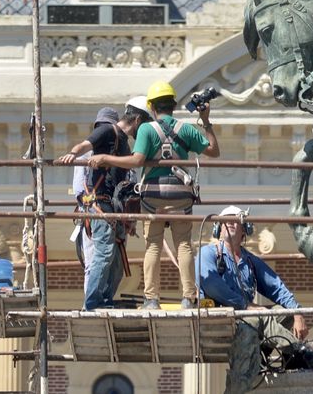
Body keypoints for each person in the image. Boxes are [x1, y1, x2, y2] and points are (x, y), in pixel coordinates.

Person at [89, 80, 220, 309]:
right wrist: (206, 121)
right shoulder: (186, 129)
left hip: (153, 196)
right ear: (173, 105)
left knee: (153, 246)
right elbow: (213, 151)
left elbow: (137, 160)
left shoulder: (146, 129)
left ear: (151, 106)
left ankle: (151, 299)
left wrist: (105, 158)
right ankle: (189, 298)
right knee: (184, 245)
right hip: (180, 195)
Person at [197, 206, 310, 394]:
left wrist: (297, 312)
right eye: (226, 220)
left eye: (236, 220)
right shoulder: (208, 253)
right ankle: (300, 351)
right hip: (221, 320)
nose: (230, 223)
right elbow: (211, 285)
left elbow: (276, 287)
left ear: (245, 229)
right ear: (218, 228)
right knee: (257, 317)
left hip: (248, 320)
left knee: (283, 313)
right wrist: (246, 305)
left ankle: (261, 355)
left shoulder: (250, 261)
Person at [56, 98, 151, 310]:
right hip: (100, 202)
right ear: (137, 120)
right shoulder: (108, 130)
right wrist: (72, 154)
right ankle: (92, 303)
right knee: (104, 253)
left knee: (116, 262)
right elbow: (85, 145)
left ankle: (106, 300)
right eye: (144, 125)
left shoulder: (124, 143)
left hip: (114, 206)